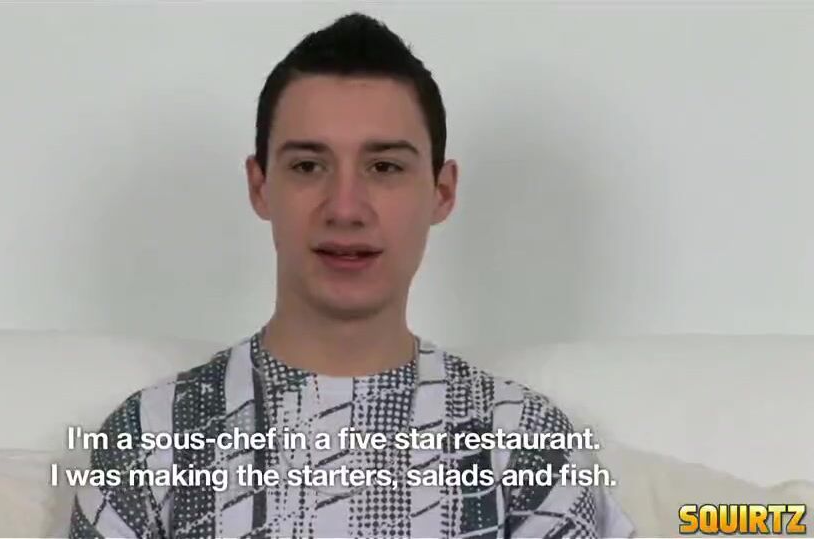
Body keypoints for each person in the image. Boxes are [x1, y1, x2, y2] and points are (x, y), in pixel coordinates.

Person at [68, 12, 633, 539]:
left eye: (384, 167)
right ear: (260, 187)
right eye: (308, 166)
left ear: (441, 192)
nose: (344, 208)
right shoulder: (149, 437)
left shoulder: (528, 441)